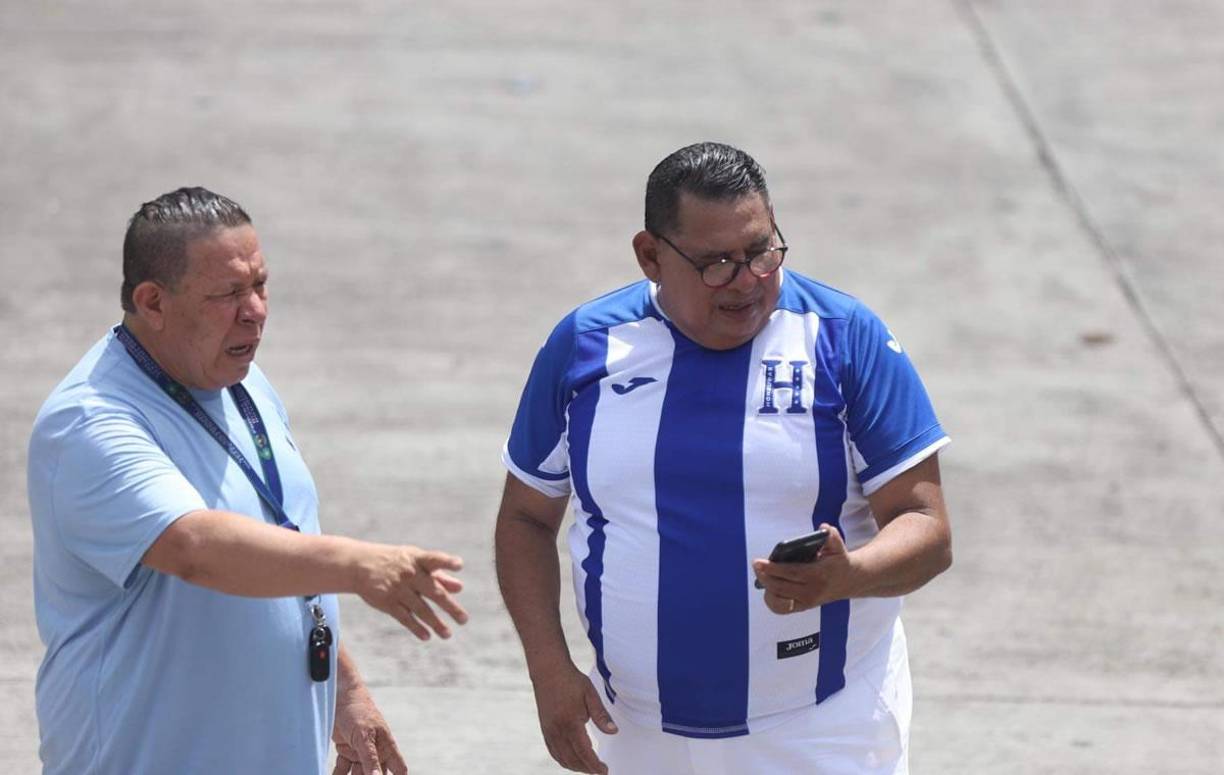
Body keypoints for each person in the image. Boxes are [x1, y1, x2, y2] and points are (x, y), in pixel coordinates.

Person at [495, 142, 952, 774]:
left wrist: (852, 575)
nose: (746, 281)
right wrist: (548, 667)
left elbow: (927, 527)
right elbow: (525, 517)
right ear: (651, 256)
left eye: (761, 251)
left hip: (823, 728)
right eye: (716, 263)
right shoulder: (585, 347)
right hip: (635, 730)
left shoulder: (846, 339)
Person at [27, 187, 468, 775]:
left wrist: (346, 692)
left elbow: (281, 539)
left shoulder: (243, 382)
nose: (255, 310)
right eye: (229, 294)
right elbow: (195, 548)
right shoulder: (91, 422)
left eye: (260, 285)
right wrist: (359, 565)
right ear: (153, 302)